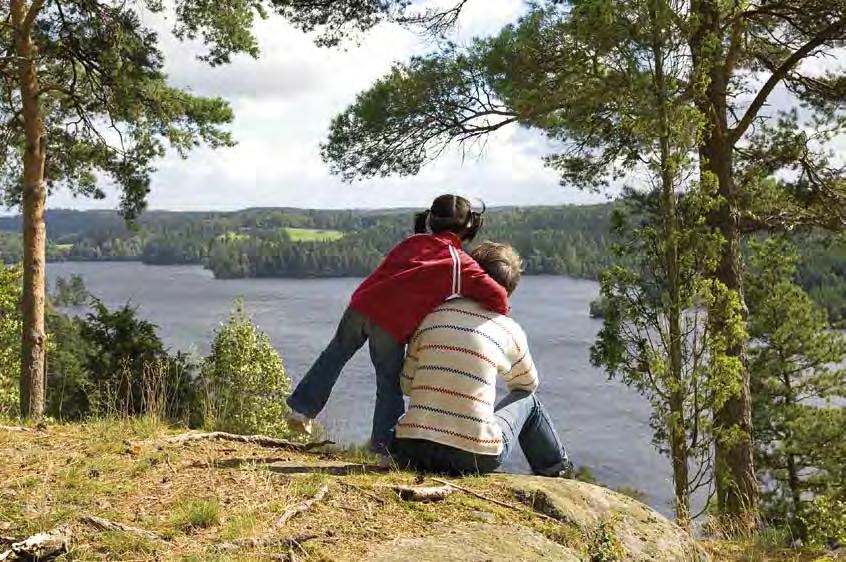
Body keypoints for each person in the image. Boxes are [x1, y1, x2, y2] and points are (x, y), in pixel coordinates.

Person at [286, 195, 510, 455]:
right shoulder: (458, 262)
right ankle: (382, 449)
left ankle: (302, 410)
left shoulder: (411, 242)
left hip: (361, 305)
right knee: (388, 381)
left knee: (334, 355)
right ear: (469, 226)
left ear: (430, 219)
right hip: (391, 324)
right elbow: (500, 298)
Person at [391, 242, 573, 477]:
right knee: (530, 402)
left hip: (411, 448)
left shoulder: (433, 315)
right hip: (472, 457)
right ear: (510, 288)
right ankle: (557, 471)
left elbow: (406, 385)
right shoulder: (508, 329)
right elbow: (527, 386)